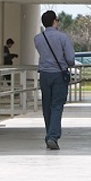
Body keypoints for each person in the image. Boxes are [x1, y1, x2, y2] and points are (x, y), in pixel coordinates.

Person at [33, 10, 76, 150]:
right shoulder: (63, 38)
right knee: (57, 105)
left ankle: (49, 134)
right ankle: (53, 136)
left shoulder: (38, 38)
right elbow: (70, 59)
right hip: (59, 74)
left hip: (44, 74)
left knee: (47, 106)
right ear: (54, 21)